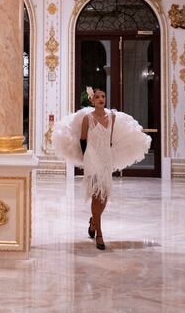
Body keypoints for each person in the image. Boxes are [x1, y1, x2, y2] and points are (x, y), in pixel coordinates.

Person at [53, 86, 151, 250]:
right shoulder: (87, 119)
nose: (101, 99)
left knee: (104, 195)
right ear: (92, 100)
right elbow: (83, 140)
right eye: (97, 97)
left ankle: (93, 221)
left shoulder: (111, 117)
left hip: (106, 157)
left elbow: (110, 139)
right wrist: (87, 160)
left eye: (103, 96)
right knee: (96, 194)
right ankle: (99, 233)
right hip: (91, 158)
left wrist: (109, 155)